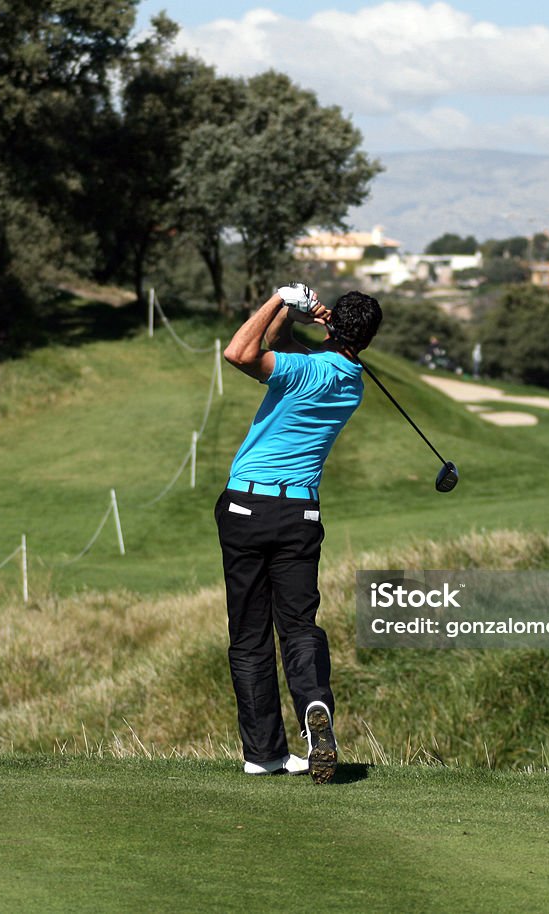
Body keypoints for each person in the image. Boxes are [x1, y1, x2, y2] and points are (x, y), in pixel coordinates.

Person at [215, 283, 382, 784]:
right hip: (301, 516)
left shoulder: (306, 370)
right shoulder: (350, 381)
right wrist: (296, 313)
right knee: (300, 626)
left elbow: (240, 352)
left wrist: (276, 299)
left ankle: (264, 753)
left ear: (333, 327)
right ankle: (315, 709)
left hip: (247, 507)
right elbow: (281, 348)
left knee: (250, 635)